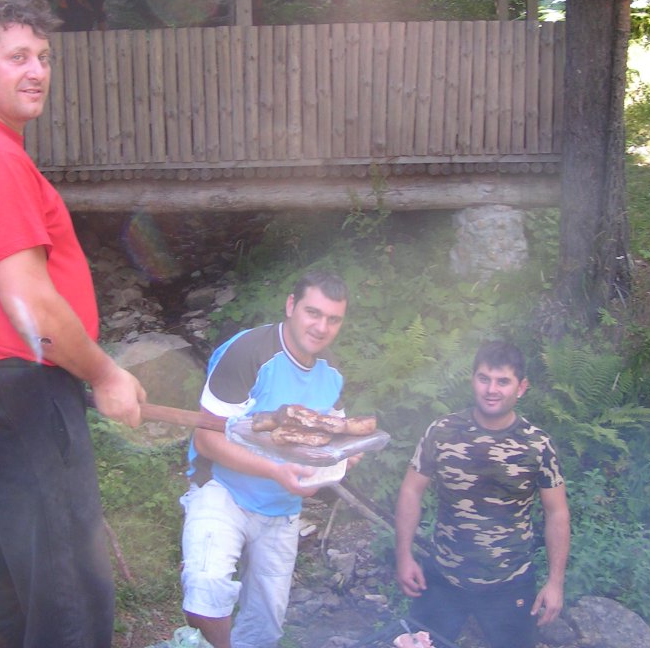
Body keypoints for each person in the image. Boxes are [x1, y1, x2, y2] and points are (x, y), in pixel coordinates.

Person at [0, 0, 147, 648]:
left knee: (0, 583)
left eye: (43, 57)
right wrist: (104, 375)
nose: (37, 71)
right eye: (17, 57)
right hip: (20, 393)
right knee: (68, 597)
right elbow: (34, 312)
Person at [181, 270, 352, 648]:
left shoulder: (332, 372)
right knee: (206, 588)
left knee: (265, 628)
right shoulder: (249, 351)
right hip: (222, 489)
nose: (321, 327)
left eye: (333, 319)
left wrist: (342, 459)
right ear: (291, 306)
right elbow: (206, 438)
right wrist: (276, 471)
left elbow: (333, 440)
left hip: (281, 507)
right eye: (313, 313)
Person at [394, 341, 571, 648]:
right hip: (443, 577)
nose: (491, 389)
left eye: (503, 381)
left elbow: (557, 513)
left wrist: (555, 582)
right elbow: (411, 490)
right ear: (472, 380)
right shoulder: (442, 432)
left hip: (510, 583)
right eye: (484, 378)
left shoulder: (537, 445)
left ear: (521, 387)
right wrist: (404, 555)